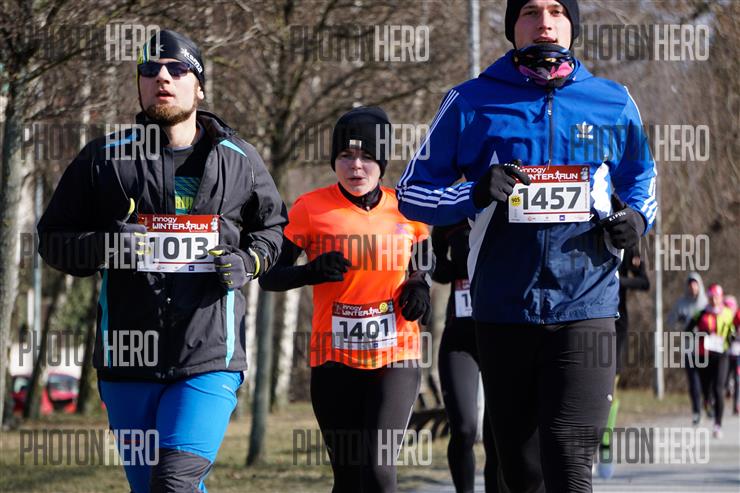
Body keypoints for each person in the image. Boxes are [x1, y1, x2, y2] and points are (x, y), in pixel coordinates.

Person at [395, 0, 657, 490]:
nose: (545, 23)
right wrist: (472, 193)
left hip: (587, 305)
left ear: (572, 26)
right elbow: (411, 193)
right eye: (531, 12)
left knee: (569, 463)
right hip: (503, 308)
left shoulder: (612, 100)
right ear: (512, 27)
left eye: (557, 11)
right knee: (521, 471)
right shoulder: (470, 101)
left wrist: (638, 217)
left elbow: (642, 177)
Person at [37, 30, 287, 492]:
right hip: (128, 359)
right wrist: (107, 245)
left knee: (173, 482)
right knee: (154, 487)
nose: (162, 78)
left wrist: (248, 261)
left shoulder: (240, 160)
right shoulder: (105, 159)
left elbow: (274, 231)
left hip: (209, 358)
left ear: (200, 86)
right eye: (150, 70)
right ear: (139, 84)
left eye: (177, 68)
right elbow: (52, 241)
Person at [259, 107, 432, 493]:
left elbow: (422, 259)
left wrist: (418, 284)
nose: (355, 166)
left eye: (367, 156)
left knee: (379, 471)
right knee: (350, 478)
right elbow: (270, 277)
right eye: (345, 155)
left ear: (382, 161)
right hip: (334, 359)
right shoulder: (310, 208)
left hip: (395, 356)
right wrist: (309, 271)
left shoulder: (406, 206)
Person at [432, 221, 498, 492]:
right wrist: (444, 267)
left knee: (497, 435)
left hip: (501, 338)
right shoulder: (452, 215)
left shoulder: (512, 211)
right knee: (464, 428)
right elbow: (434, 261)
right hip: (459, 337)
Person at [686, 284, 736, 438]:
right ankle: (707, 402)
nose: (714, 300)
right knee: (706, 389)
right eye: (711, 297)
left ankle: (717, 425)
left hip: (721, 355)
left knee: (718, 388)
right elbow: (688, 330)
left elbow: (733, 329)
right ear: (708, 298)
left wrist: (732, 337)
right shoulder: (700, 313)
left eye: (717, 297)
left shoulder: (728, 313)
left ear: (721, 298)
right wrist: (700, 334)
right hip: (704, 356)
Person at [667, 272, 709, 424]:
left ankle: (708, 404)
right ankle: (696, 412)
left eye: (695, 284)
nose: (692, 287)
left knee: (706, 381)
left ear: (699, 285)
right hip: (689, 347)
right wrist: (679, 323)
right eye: (690, 285)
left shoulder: (706, 303)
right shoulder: (681, 303)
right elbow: (670, 322)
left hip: (705, 348)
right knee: (693, 382)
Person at [723, 295, 740, 415]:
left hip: (738, 354)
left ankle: (737, 404)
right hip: (726, 354)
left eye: (731, 307)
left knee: (738, 379)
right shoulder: (723, 319)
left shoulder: (738, 318)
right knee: (725, 378)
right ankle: (728, 389)